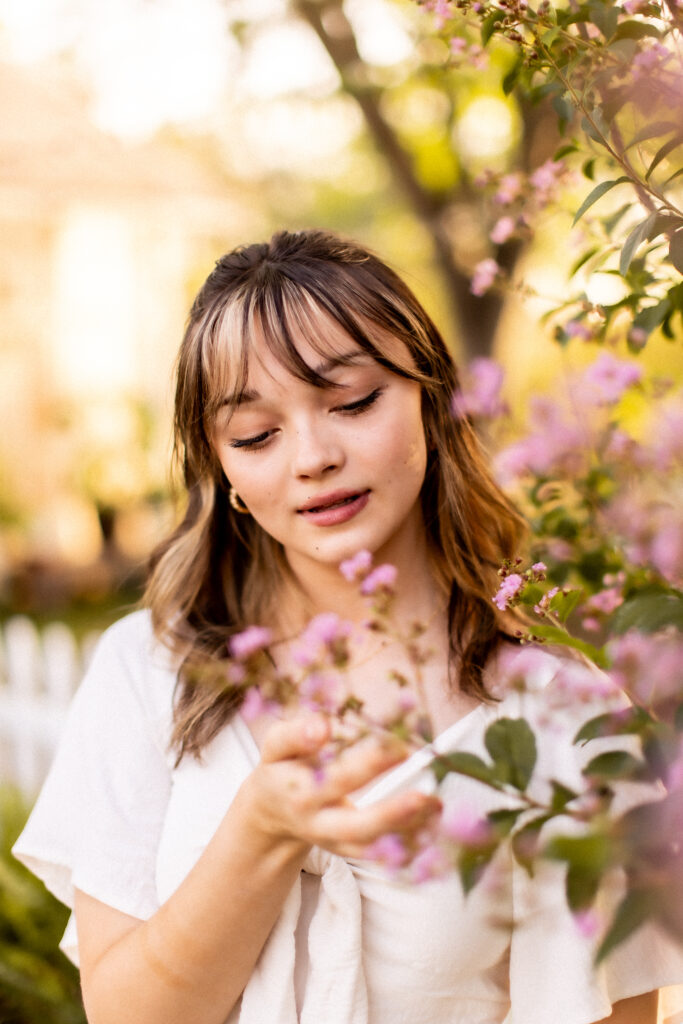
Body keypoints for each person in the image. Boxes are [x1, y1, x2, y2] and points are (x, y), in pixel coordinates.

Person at [13, 230, 683, 1024]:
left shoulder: (565, 711)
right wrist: (262, 830)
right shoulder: (149, 670)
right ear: (222, 469)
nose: (311, 457)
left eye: (353, 402)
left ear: (433, 404)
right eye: (256, 435)